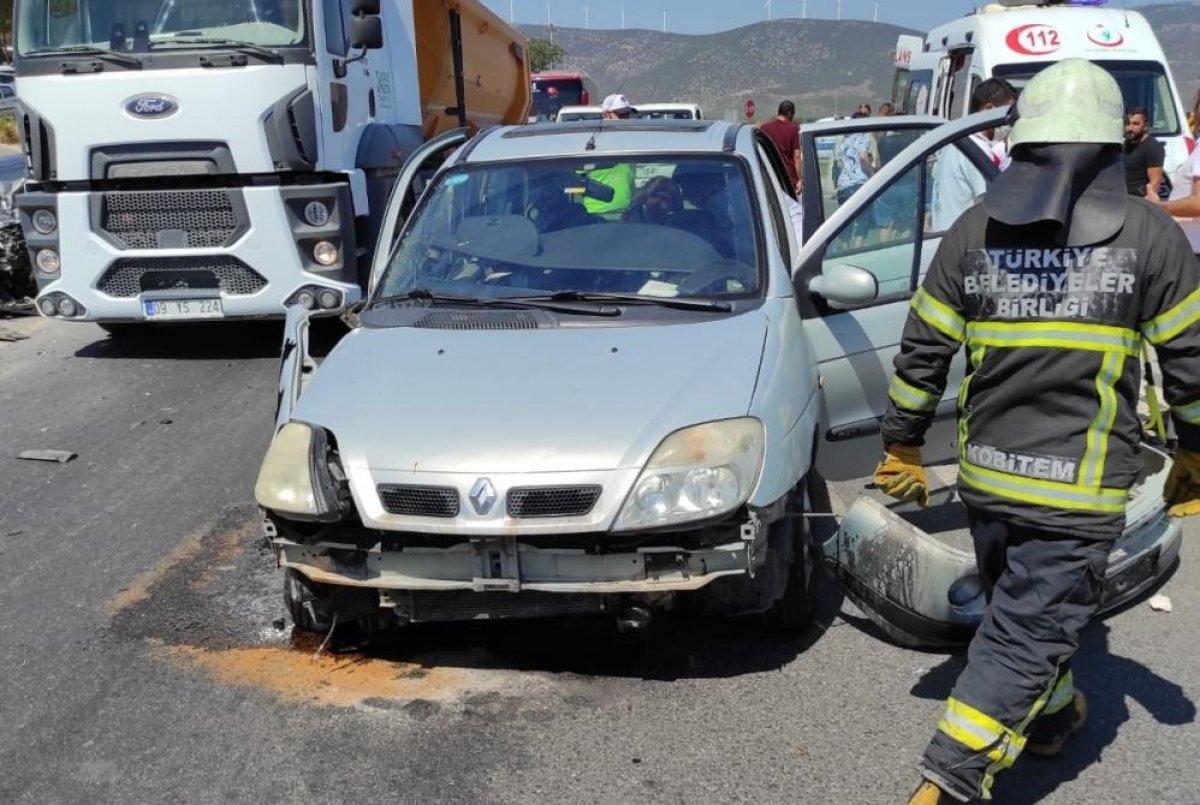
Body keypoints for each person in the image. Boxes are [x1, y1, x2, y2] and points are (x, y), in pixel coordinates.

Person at [875, 59, 1200, 805]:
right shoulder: (1150, 236)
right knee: (1024, 633)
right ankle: (946, 782)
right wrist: (1195, 451)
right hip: (1075, 498)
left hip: (988, 481)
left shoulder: (974, 230)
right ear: (1112, 141)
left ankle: (1049, 720)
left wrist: (901, 441)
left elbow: (923, 347)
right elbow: (1190, 363)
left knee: (1023, 614)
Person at [930, 78, 1016, 231]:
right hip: (961, 239)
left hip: (944, 232)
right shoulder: (974, 148)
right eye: (1006, 114)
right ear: (989, 109)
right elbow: (992, 201)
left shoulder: (956, 140)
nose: (1009, 123)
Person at [1122, 107, 1165, 199]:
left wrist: (1144, 205)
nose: (1130, 128)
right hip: (1123, 200)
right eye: (1128, 124)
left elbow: (1155, 183)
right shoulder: (1125, 144)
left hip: (1139, 202)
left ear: (1145, 126)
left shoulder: (1152, 147)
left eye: (1135, 124)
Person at [761, 101, 803, 191]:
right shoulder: (793, 129)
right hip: (788, 180)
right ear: (789, 113)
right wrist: (799, 179)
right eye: (793, 114)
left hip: (769, 176)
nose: (793, 117)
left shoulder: (764, 128)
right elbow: (797, 156)